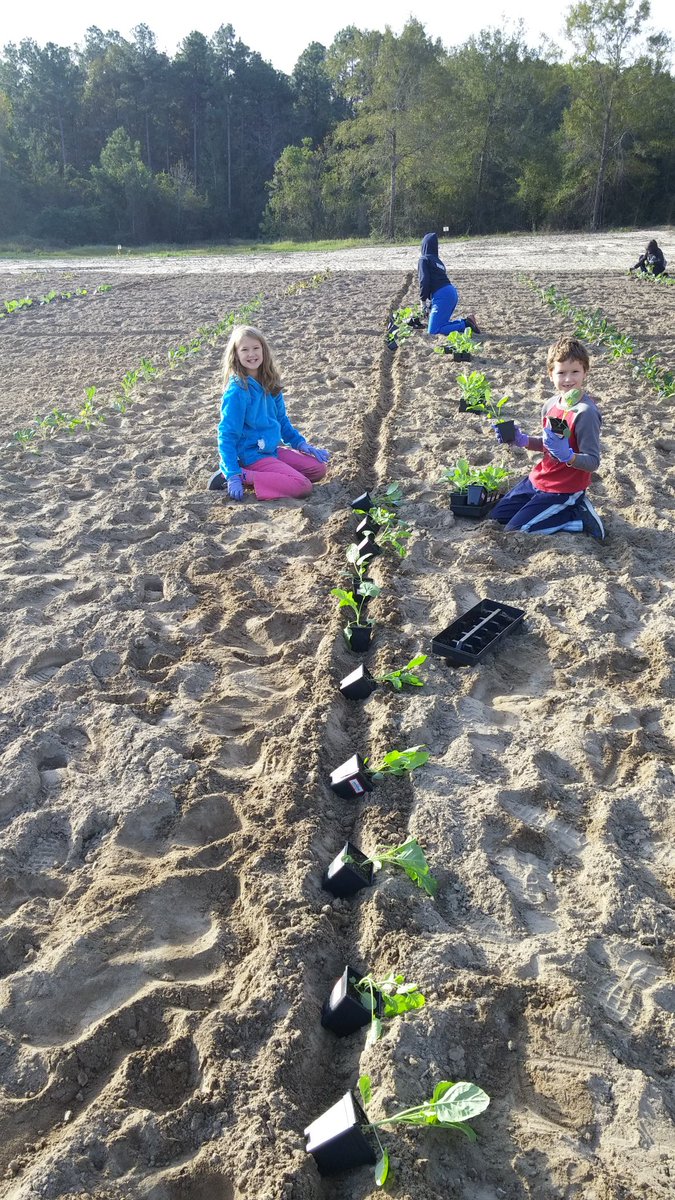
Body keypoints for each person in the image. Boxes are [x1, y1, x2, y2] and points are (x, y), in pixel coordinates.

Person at [489, 335, 604, 539]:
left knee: (516, 531)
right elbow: (549, 446)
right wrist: (523, 440)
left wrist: (569, 457)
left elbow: (593, 462)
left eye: (575, 372)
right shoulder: (551, 405)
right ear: (551, 374)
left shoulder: (585, 413)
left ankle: (578, 518)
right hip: (539, 479)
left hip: (564, 489)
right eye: (562, 373)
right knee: (497, 517)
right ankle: (557, 509)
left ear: (585, 372)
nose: (568, 379)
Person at [208, 325, 329, 501]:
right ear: (236, 355)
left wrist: (301, 444)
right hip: (251, 456)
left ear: (263, 350)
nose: (251, 354)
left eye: (256, 348)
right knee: (302, 486)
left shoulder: (270, 383)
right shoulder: (237, 391)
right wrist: (233, 473)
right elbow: (227, 434)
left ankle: (259, 475)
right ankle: (243, 475)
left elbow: (282, 421)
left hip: (270, 449)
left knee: (318, 469)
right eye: (245, 350)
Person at [418, 232, 480, 337]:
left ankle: (466, 324)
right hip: (450, 292)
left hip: (442, 295)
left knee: (434, 331)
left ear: (424, 246)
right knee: (442, 325)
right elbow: (437, 280)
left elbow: (424, 280)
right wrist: (431, 304)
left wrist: (423, 301)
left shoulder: (424, 259)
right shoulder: (439, 262)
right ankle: (466, 321)